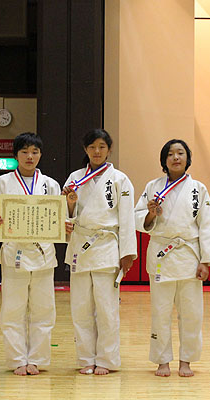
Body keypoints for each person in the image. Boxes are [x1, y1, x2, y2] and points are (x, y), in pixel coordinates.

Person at [134, 139, 210, 377]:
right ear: (164, 160)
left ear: (187, 158)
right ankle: (162, 361)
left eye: (180, 153)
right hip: (162, 254)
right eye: (171, 154)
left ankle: (186, 360)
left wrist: (206, 260)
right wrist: (150, 215)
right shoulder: (153, 186)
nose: (176, 157)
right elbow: (139, 217)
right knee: (160, 311)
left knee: (192, 313)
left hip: (189, 256)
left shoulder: (198, 189)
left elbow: (207, 225)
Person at [0, 132, 72, 376]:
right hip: (14, 252)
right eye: (24, 152)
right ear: (15, 155)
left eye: (34, 152)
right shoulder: (2, 183)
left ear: (40, 155)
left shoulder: (51, 184)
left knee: (43, 310)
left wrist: (64, 226)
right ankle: (17, 359)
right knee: (12, 310)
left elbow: (59, 217)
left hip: (43, 254)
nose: (30, 156)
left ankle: (37, 359)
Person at [62, 128, 137, 375]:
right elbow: (64, 216)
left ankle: (106, 359)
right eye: (92, 147)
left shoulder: (120, 179)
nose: (97, 151)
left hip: (106, 246)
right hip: (80, 247)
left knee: (106, 308)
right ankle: (86, 359)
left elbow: (127, 218)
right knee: (80, 308)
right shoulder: (74, 178)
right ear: (85, 150)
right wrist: (70, 205)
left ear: (109, 150)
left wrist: (127, 253)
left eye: (102, 147)